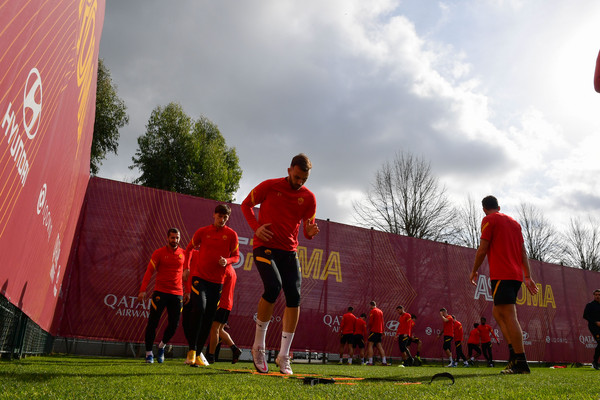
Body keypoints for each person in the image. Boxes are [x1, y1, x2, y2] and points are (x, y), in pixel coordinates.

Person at [241, 154, 319, 375]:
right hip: (265, 247)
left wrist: (310, 233)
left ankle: (284, 355)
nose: (300, 182)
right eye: (297, 177)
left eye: (304, 179)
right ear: (288, 170)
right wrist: (256, 227)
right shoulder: (269, 186)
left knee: (294, 296)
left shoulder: (310, 198)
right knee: (273, 287)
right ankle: (258, 347)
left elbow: (308, 229)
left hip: (289, 251)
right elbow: (246, 204)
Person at [470, 195, 538, 374]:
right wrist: (528, 276)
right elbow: (523, 252)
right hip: (515, 276)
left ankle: (521, 361)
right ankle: (514, 356)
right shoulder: (515, 223)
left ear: (484, 208)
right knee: (498, 313)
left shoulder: (488, 220)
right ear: (498, 207)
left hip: (502, 274)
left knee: (509, 316)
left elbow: (482, 249)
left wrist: (474, 270)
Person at [182, 204, 240, 367]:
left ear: (227, 218)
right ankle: (192, 350)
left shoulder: (231, 235)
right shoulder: (203, 231)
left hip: (217, 283)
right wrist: (186, 268)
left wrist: (227, 261)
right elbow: (189, 249)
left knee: (208, 320)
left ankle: (198, 353)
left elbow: (236, 256)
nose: (222, 220)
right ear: (214, 215)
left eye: (225, 217)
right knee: (199, 308)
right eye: (219, 216)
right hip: (199, 279)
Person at [138, 228, 186, 364]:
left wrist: (187, 291)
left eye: (177, 238)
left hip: (177, 294)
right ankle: (148, 353)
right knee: (153, 323)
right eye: (172, 238)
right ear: (167, 238)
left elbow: (187, 275)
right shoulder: (158, 253)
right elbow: (149, 272)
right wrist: (143, 290)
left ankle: (161, 346)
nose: (175, 240)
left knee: (174, 324)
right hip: (160, 292)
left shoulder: (184, 254)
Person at [207, 263, 242, 364]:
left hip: (221, 303)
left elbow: (218, 288)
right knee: (219, 329)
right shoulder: (232, 270)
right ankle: (235, 349)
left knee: (215, 329)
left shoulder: (224, 270)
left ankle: (211, 356)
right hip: (227, 304)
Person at [366, 301, 388, 366]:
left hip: (374, 331)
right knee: (379, 346)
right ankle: (384, 361)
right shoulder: (380, 311)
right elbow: (382, 322)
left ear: (371, 305)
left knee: (370, 345)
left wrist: (370, 328)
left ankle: (370, 362)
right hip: (379, 331)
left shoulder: (373, 311)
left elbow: (370, 322)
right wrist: (383, 331)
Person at [583, 289, 600, 369]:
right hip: (594, 327)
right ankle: (595, 362)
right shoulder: (590, 305)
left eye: (599, 295)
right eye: (596, 294)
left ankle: (595, 361)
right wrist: (595, 322)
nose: (597, 296)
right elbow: (585, 316)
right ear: (594, 295)